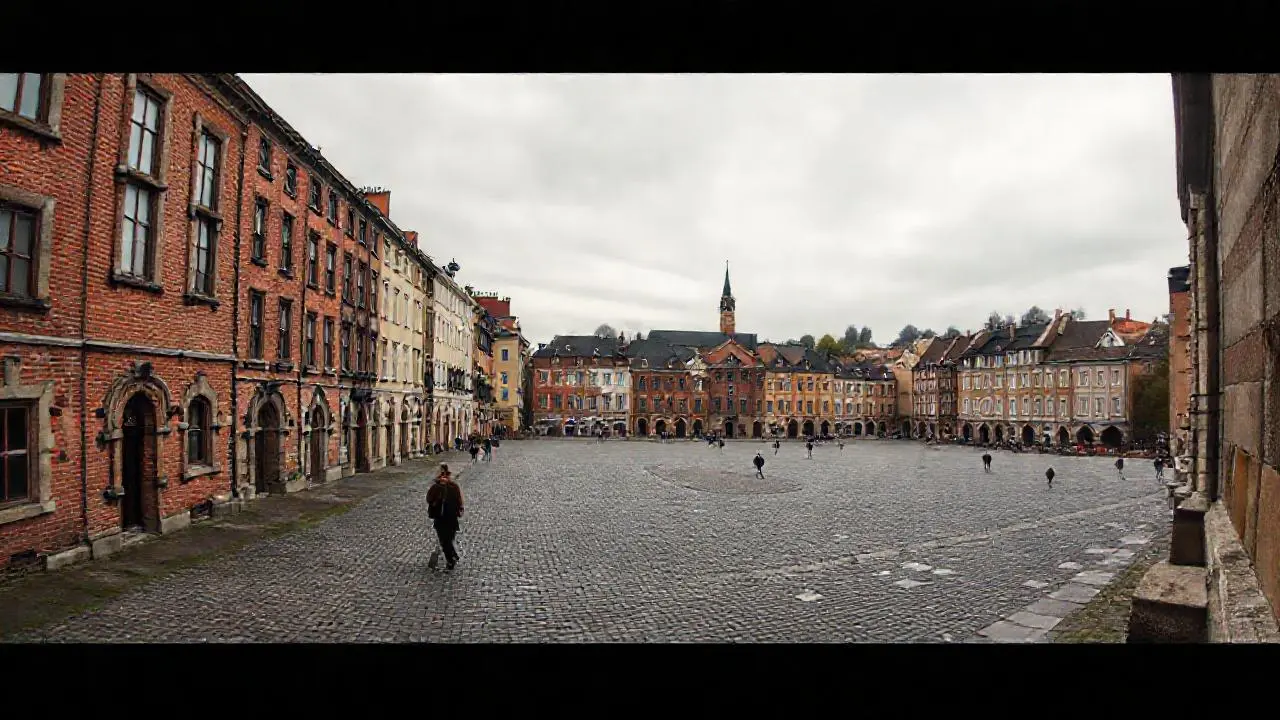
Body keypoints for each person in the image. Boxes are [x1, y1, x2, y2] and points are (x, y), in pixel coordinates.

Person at [426, 464, 464, 571]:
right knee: (446, 540)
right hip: (443, 517)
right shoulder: (439, 487)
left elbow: (459, 501)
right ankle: (453, 556)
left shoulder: (450, 487)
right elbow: (429, 499)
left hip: (447, 517)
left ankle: (451, 560)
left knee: (446, 540)